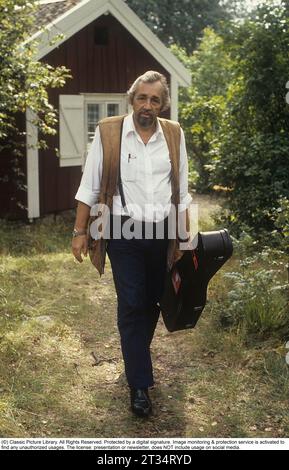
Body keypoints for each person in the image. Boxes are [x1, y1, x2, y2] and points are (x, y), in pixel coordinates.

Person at [72, 71, 192, 417]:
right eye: (142, 98)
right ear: (132, 99)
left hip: (161, 230)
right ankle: (140, 384)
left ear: (162, 104)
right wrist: (80, 232)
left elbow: (181, 190)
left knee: (154, 299)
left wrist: (183, 236)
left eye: (155, 100)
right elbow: (89, 185)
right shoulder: (110, 131)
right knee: (131, 301)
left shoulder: (173, 134)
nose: (148, 105)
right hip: (122, 229)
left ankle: (134, 353)